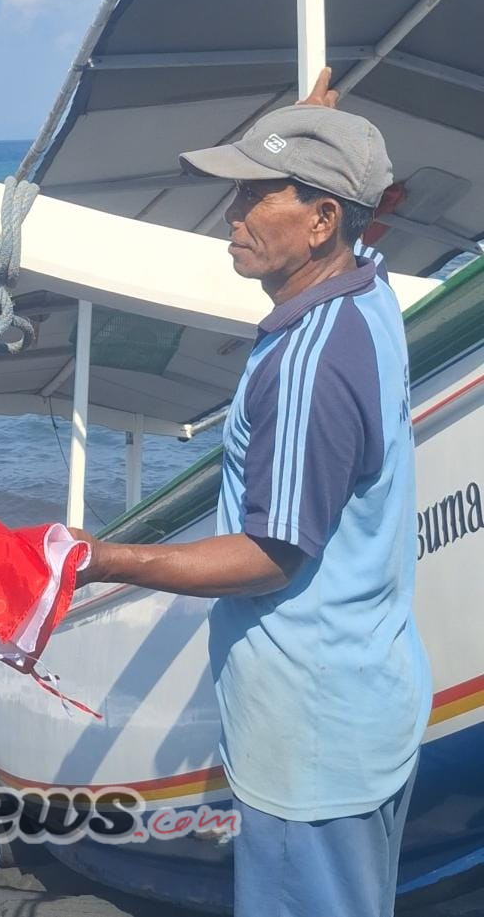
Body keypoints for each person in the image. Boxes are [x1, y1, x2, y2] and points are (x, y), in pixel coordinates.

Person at [73, 77, 432, 917]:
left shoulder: (310, 360)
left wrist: (102, 558)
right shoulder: (366, 291)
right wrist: (313, 133)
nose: (230, 213)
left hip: (310, 747)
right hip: (363, 708)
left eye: (254, 195)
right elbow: (351, 221)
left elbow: (271, 554)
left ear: (322, 221)